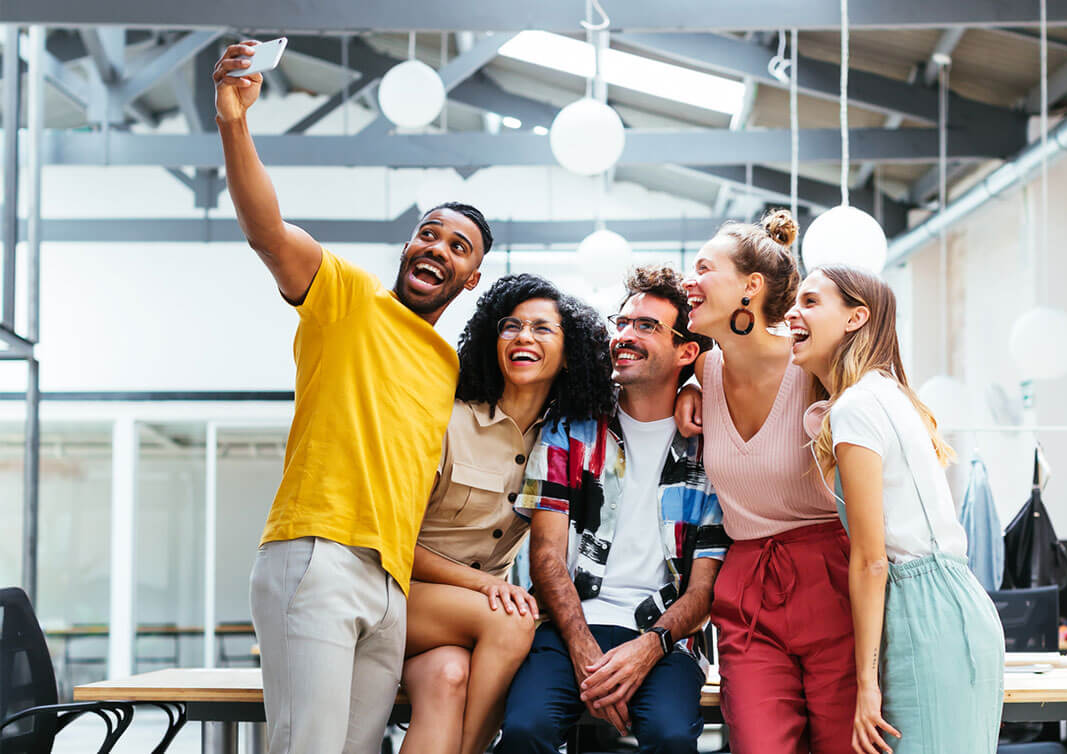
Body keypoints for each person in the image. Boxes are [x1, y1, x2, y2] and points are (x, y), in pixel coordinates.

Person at [213, 42, 492, 753]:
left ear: (472, 278)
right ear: (408, 246)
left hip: (390, 579)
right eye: (428, 234)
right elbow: (267, 233)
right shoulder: (347, 298)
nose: (437, 247)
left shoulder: (448, 364)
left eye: (457, 246)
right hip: (318, 554)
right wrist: (234, 123)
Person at [497, 265, 727, 754]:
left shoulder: (712, 451)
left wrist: (647, 650)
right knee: (522, 731)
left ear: (687, 351)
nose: (625, 335)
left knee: (670, 738)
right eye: (621, 322)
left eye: (647, 326)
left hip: (665, 637)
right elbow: (546, 557)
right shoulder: (570, 429)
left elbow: (704, 587)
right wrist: (583, 652)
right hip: (567, 626)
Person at [786, 266, 1004, 754]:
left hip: (924, 612)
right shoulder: (888, 396)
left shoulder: (856, 408)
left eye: (811, 302)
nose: (792, 313)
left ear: (855, 317)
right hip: (953, 604)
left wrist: (866, 687)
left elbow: (871, 559)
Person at [400, 274, 615, 754]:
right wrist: (487, 586)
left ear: (570, 350)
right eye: (511, 326)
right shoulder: (446, 420)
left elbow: (655, 383)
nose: (523, 337)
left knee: (447, 678)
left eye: (542, 329)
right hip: (399, 596)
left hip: (468, 622)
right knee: (515, 621)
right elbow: (394, 543)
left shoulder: (562, 442)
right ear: (491, 340)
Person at [679, 212, 857, 753]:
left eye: (704, 268)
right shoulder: (703, 374)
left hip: (835, 584)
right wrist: (686, 383)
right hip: (748, 592)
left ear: (749, 288)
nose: (690, 280)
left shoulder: (816, 368)